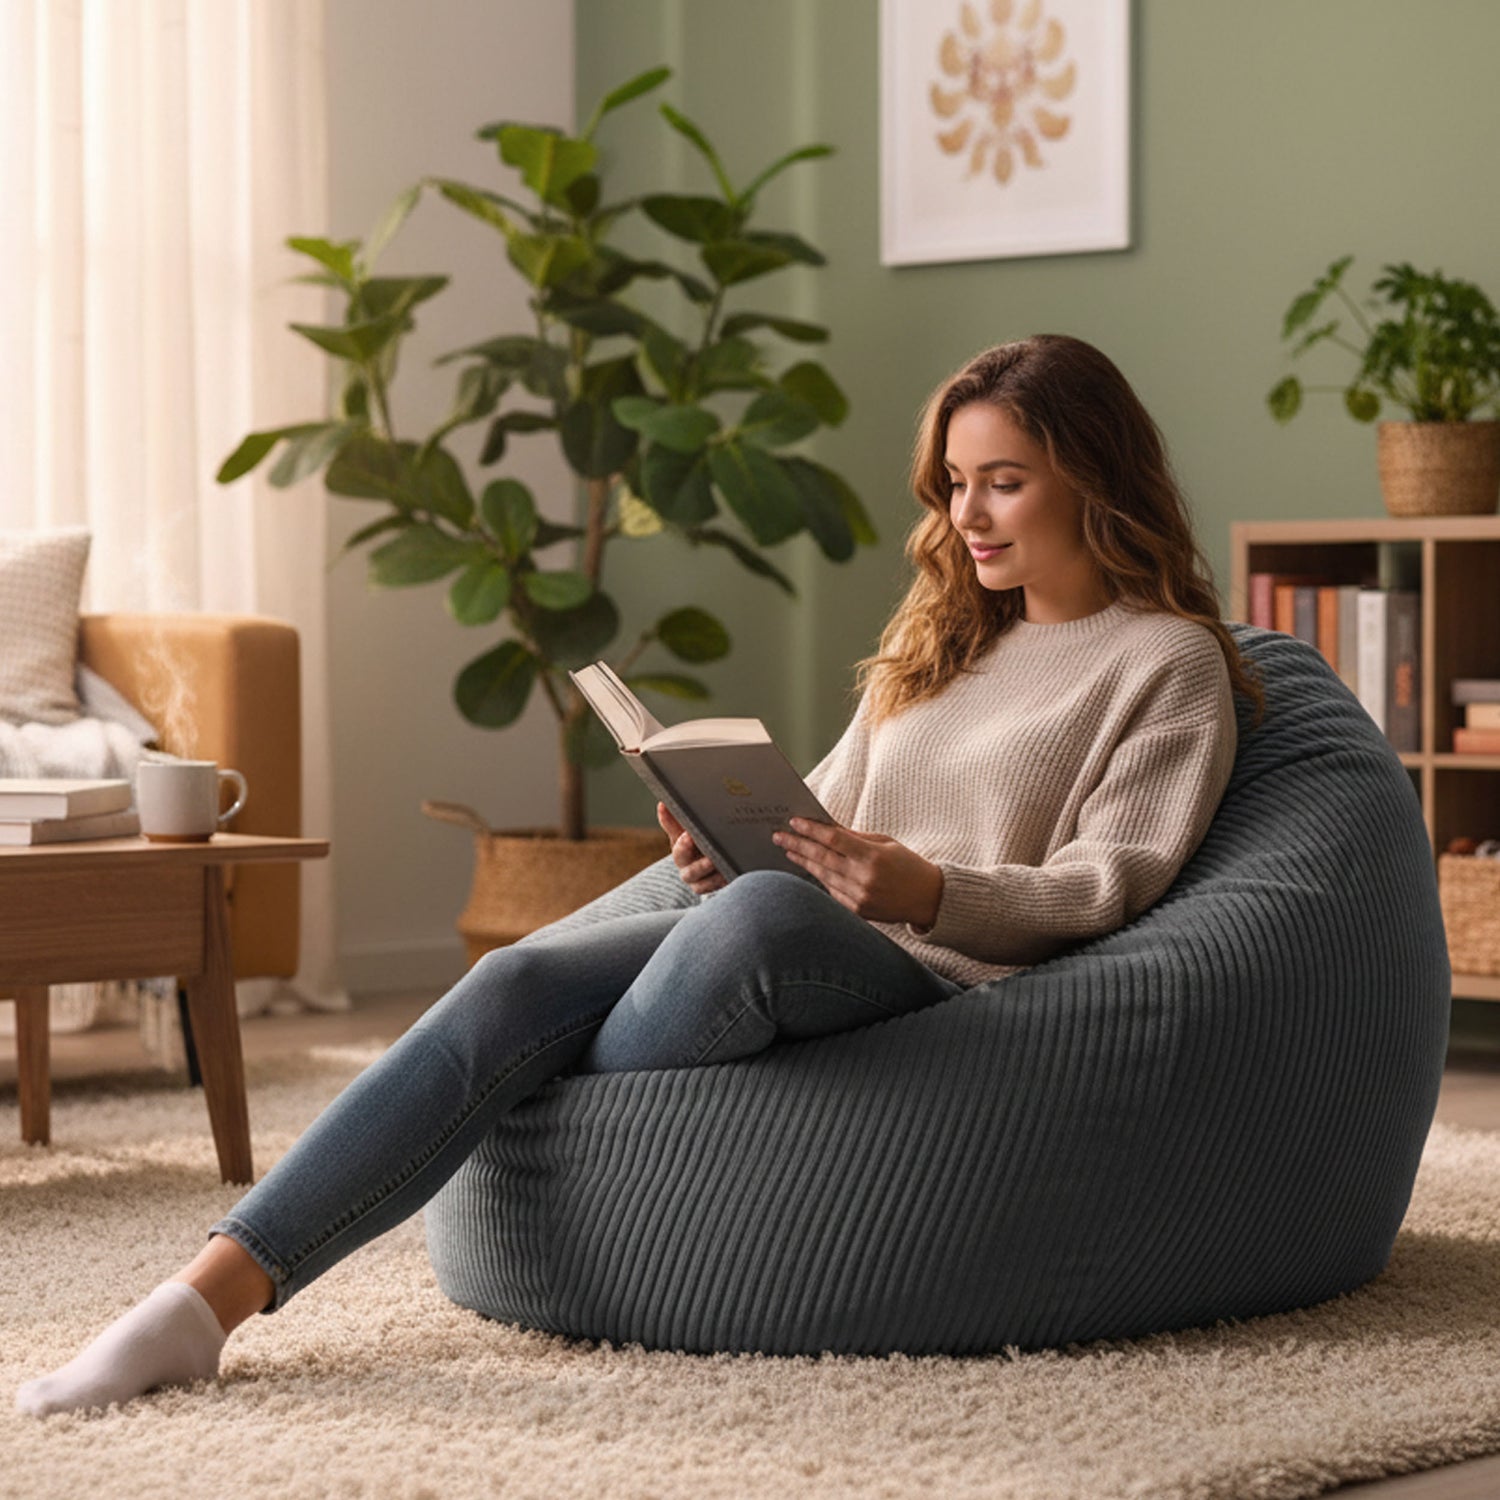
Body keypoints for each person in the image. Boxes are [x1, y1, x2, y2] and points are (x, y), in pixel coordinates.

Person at [16, 332, 1265, 1417]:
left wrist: (928, 891)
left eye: (1006, 482)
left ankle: (543, 1091)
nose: (969, 517)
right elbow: (829, 813)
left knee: (762, 916)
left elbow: (1114, 882)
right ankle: (200, 1305)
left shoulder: (1165, 664)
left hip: (942, 969)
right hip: (803, 926)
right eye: (954, 484)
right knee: (516, 982)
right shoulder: (939, 644)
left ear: (1093, 478)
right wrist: (724, 844)